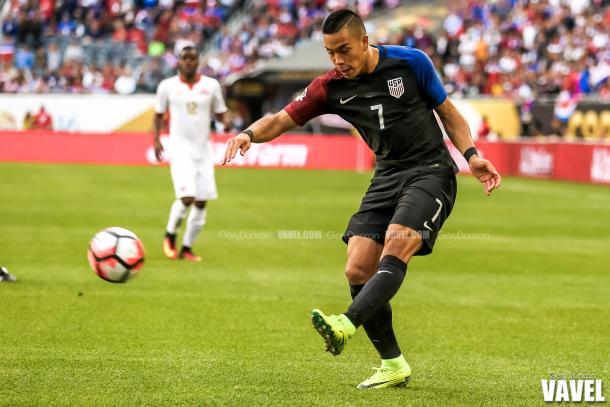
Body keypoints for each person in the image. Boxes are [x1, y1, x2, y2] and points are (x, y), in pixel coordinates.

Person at [223, 10, 501, 389]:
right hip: (386, 176)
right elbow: (281, 119)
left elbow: (449, 114)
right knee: (356, 268)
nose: (338, 60)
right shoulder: (330, 87)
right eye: (330, 53)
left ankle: (346, 323)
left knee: (397, 242)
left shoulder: (411, 62)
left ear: (365, 41)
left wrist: (471, 156)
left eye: (344, 50)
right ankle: (393, 364)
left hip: (430, 171)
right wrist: (249, 134)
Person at [154, 44, 230, 262]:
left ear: (198, 62)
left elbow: (221, 112)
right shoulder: (167, 86)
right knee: (187, 197)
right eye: (184, 58)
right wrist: (157, 140)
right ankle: (170, 235)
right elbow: (158, 114)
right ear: (179, 61)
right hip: (179, 150)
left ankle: (186, 247)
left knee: (202, 201)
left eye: (192, 58)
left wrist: (226, 122)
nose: (188, 61)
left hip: (203, 150)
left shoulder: (211, 85)